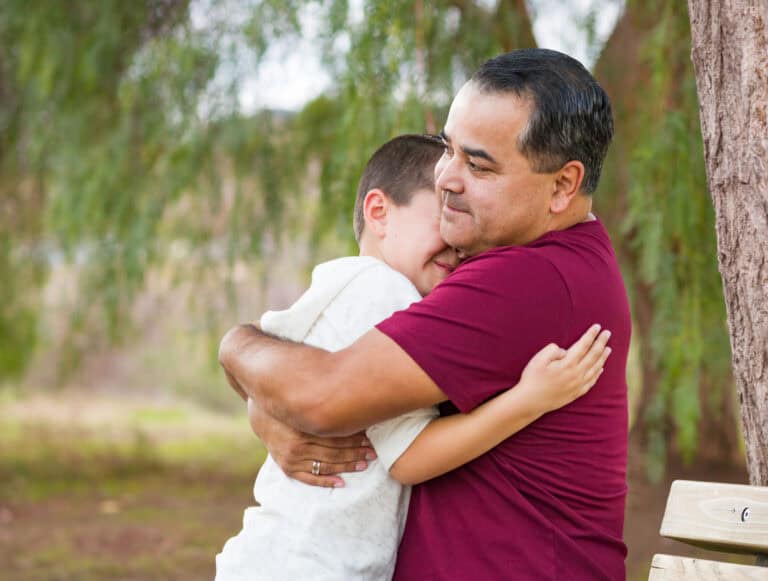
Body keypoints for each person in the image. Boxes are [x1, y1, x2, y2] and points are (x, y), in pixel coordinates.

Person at [220, 48, 631, 580]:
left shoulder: (526, 280)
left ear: (562, 185)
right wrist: (265, 402)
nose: (446, 179)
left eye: (478, 165)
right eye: (447, 149)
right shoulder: (545, 258)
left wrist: (236, 349)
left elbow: (320, 398)